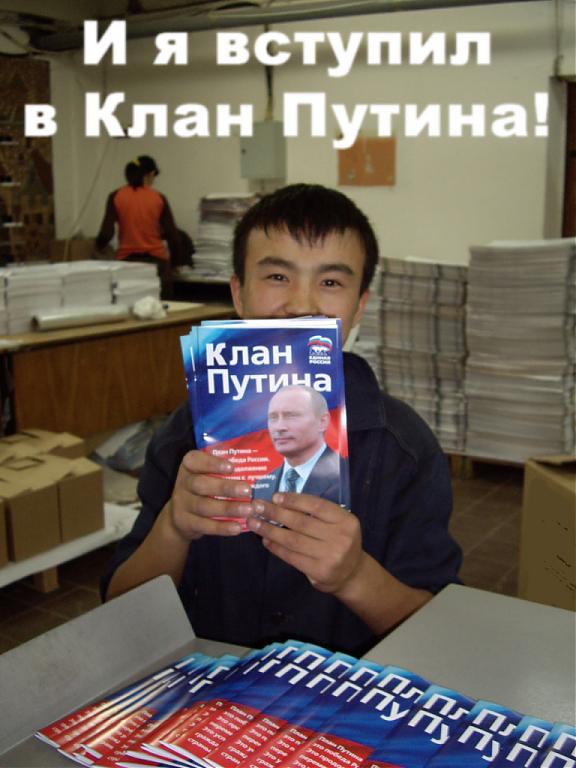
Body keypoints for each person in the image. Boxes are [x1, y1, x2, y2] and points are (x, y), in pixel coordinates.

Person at [101, 183, 462, 657]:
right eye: (277, 276)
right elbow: (120, 611)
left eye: (331, 283)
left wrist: (355, 576)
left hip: (343, 689)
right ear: (238, 293)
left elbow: (441, 635)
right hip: (212, 688)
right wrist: (173, 528)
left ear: (359, 306)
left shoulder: (404, 448)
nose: (301, 304)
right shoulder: (184, 436)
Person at [95, 154, 182, 298]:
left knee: (130, 306)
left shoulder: (116, 196)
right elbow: (173, 235)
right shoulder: (158, 198)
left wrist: (98, 246)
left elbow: (106, 232)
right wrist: (176, 263)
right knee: (165, 307)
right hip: (157, 264)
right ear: (150, 174)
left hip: (127, 264)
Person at [253, 386, 343, 505]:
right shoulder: (261, 486)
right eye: (273, 417)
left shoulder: (347, 475)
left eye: (291, 416)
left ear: (322, 422)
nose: (279, 427)